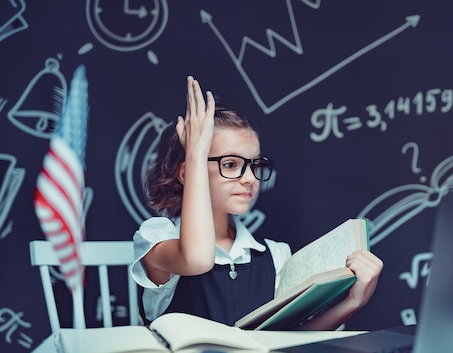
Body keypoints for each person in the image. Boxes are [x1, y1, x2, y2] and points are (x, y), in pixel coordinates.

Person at [131, 76, 382, 330]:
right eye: (230, 164)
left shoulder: (274, 255)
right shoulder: (157, 238)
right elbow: (196, 259)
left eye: (256, 165)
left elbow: (290, 337)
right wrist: (196, 152)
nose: (250, 179)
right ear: (187, 172)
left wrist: (353, 302)